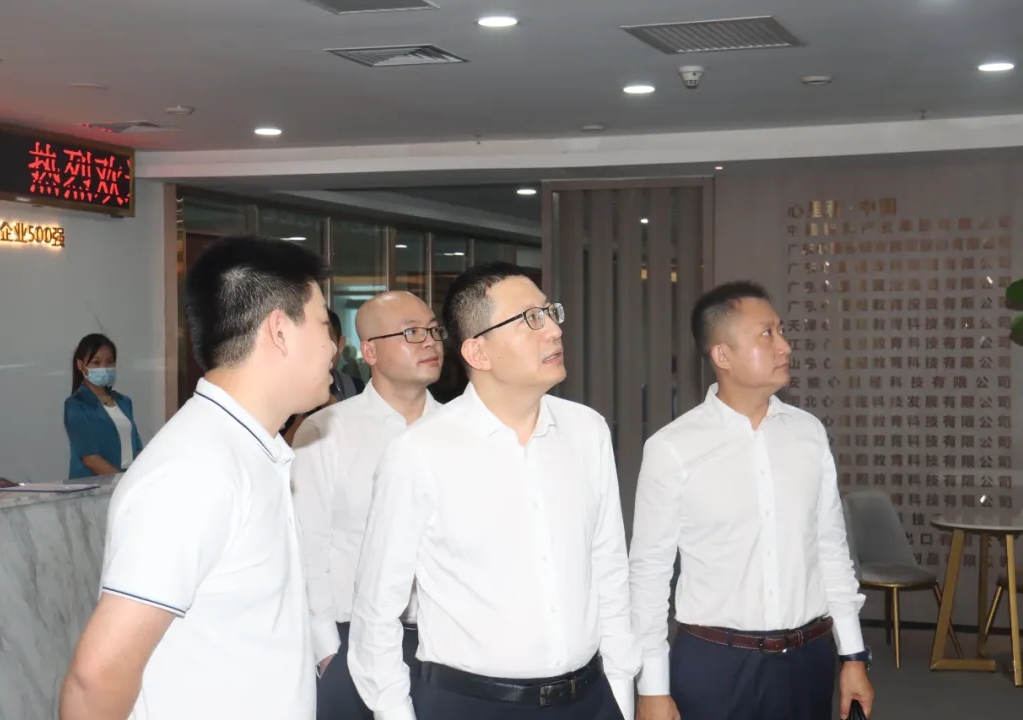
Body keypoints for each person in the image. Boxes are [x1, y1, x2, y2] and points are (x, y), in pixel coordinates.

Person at [59, 235, 334, 720]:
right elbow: (95, 680)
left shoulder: (247, 450)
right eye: (323, 326)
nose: (333, 346)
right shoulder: (196, 469)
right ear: (279, 331)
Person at [348, 262, 639, 720]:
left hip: (590, 697)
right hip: (472, 704)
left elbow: (610, 570)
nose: (554, 330)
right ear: (477, 352)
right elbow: (376, 610)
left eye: (550, 312)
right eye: (530, 319)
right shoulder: (419, 452)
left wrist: (620, 690)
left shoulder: (587, 431)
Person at [629, 281, 874, 720]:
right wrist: (652, 687)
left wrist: (853, 655)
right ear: (722, 356)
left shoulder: (808, 433)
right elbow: (649, 575)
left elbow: (831, 550)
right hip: (716, 664)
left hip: (808, 659)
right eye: (766, 334)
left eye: (781, 330)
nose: (785, 345)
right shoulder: (673, 448)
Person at [292, 290, 446, 719]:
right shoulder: (327, 430)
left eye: (434, 331)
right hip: (352, 641)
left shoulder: (459, 431)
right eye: (411, 333)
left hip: (445, 646)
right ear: (371, 352)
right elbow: (308, 547)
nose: (430, 342)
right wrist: (328, 651)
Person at [64, 333, 143, 479]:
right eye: (96, 362)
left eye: (109, 362)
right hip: (93, 486)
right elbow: (90, 458)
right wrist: (122, 480)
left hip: (125, 481)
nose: (104, 368)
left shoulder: (124, 402)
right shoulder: (75, 405)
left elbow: (137, 447)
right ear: (81, 365)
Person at [282, 307, 365, 444]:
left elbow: (361, 441)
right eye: (308, 341)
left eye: (326, 340)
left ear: (340, 344)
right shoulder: (280, 392)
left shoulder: (356, 389)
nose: (319, 350)